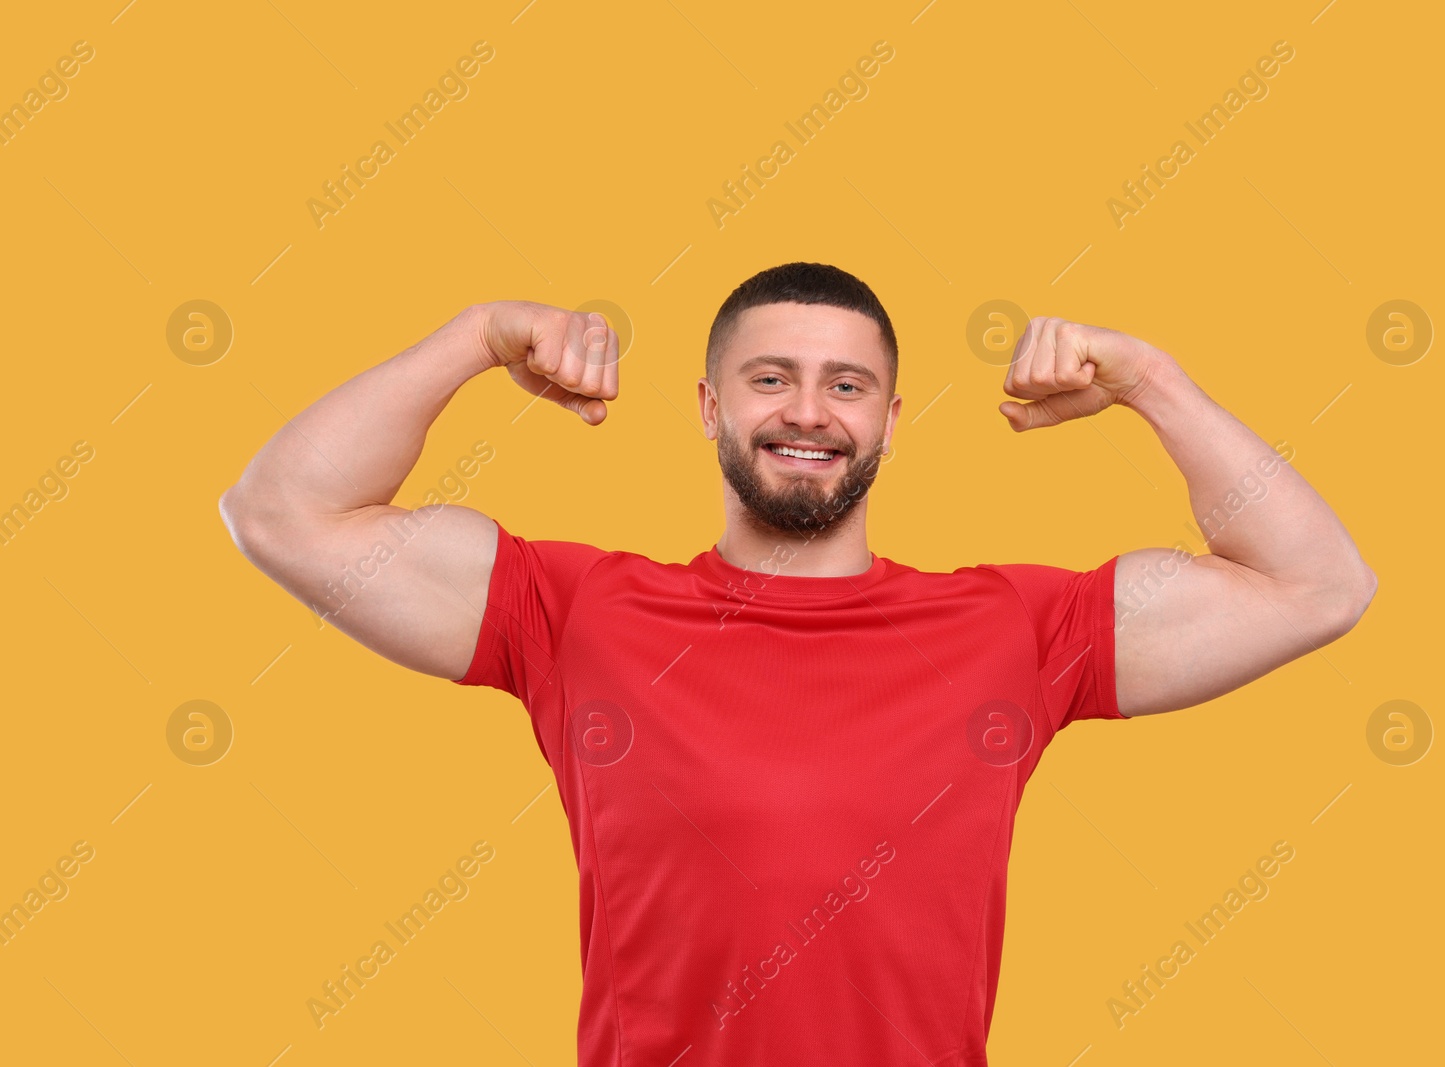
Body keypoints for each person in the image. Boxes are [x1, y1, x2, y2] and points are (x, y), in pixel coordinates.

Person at [219, 261, 1375, 1065]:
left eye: (846, 383)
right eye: (772, 377)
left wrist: (1150, 382)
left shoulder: (1013, 628)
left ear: (888, 417)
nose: (808, 411)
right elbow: (283, 513)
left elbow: (1318, 583)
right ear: (712, 405)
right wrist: (470, 339)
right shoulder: (576, 611)